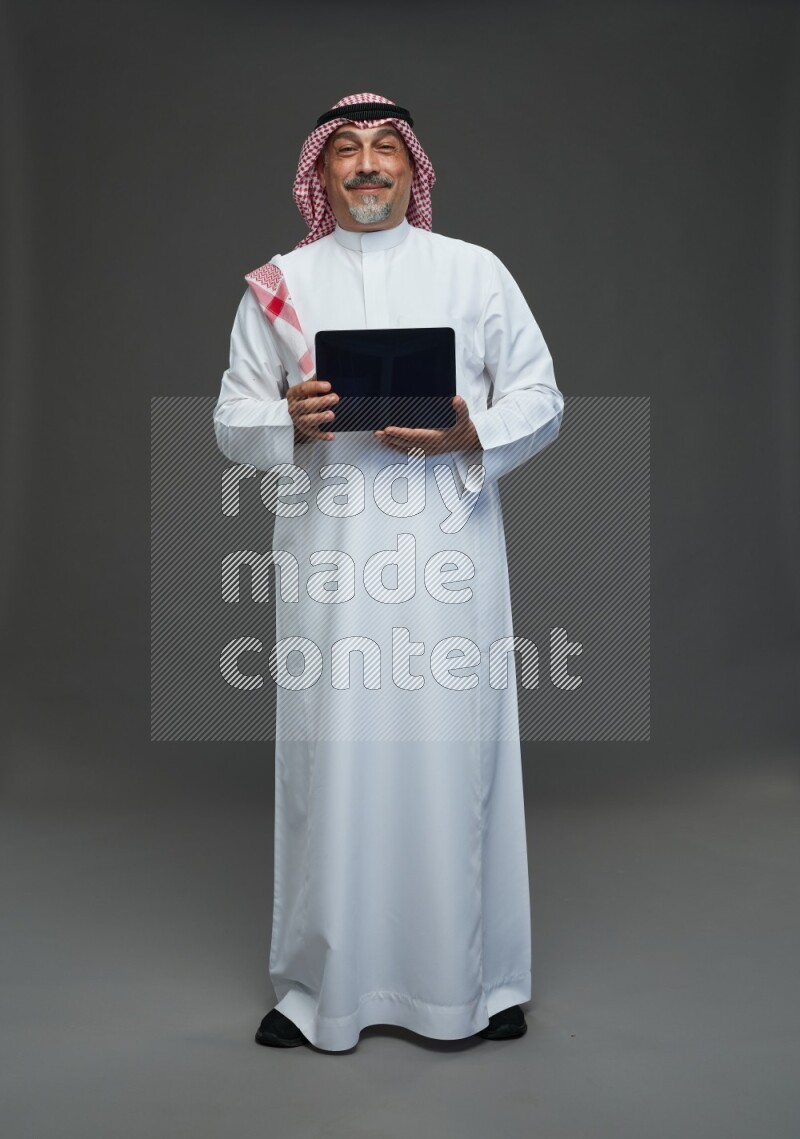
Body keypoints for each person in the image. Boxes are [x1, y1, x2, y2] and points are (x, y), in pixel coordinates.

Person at [213, 93, 564, 1052]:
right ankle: (316, 989)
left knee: (459, 757)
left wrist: (472, 430)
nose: (367, 165)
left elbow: (542, 394)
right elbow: (231, 419)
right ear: (320, 174)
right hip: (330, 567)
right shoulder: (280, 286)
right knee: (330, 764)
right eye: (346, 150)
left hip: (449, 559)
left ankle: (481, 982)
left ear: (413, 168)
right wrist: (287, 418)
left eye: (384, 149)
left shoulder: (474, 271)